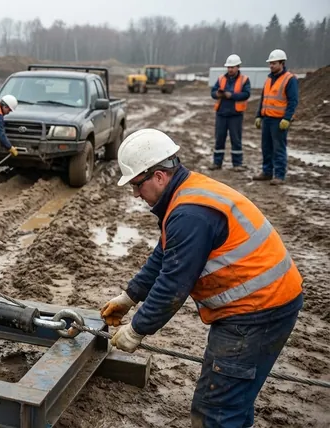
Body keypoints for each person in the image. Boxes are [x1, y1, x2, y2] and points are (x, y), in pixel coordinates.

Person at [101, 128, 303, 428]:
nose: (135, 194)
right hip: (264, 304)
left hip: (258, 312)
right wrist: (129, 297)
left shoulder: (190, 213)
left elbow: (173, 284)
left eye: (137, 185)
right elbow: (164, 255)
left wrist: (137, 330)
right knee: (233, 399)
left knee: (215, 411)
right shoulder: (187, 194)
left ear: (158, 176)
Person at [254, 49, 299, 185]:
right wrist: (258, 115)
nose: (271, 66)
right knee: (266, 147)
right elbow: (264, 98)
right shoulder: (269, 79)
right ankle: (267, 172)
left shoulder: (289, 79)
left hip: (279, 120)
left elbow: (293, 101)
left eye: (274, 63)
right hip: (267, 118)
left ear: (282, 63)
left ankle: (279, 175)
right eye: (270, 63)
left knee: (278, 148)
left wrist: (287, 118)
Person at [210, 54, 250, 171]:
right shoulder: (221, 78)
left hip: (235, 115)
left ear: (238, 67)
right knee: (219, 139)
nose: (230, 69)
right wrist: (218, 94)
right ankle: (217, 163)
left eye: (232, 67)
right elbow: (213, 92)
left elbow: (246, 94)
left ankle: (237, 164)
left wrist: (231, 95)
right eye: (228, 67)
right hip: (221, 113)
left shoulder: (244, 80)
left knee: (236, 140)